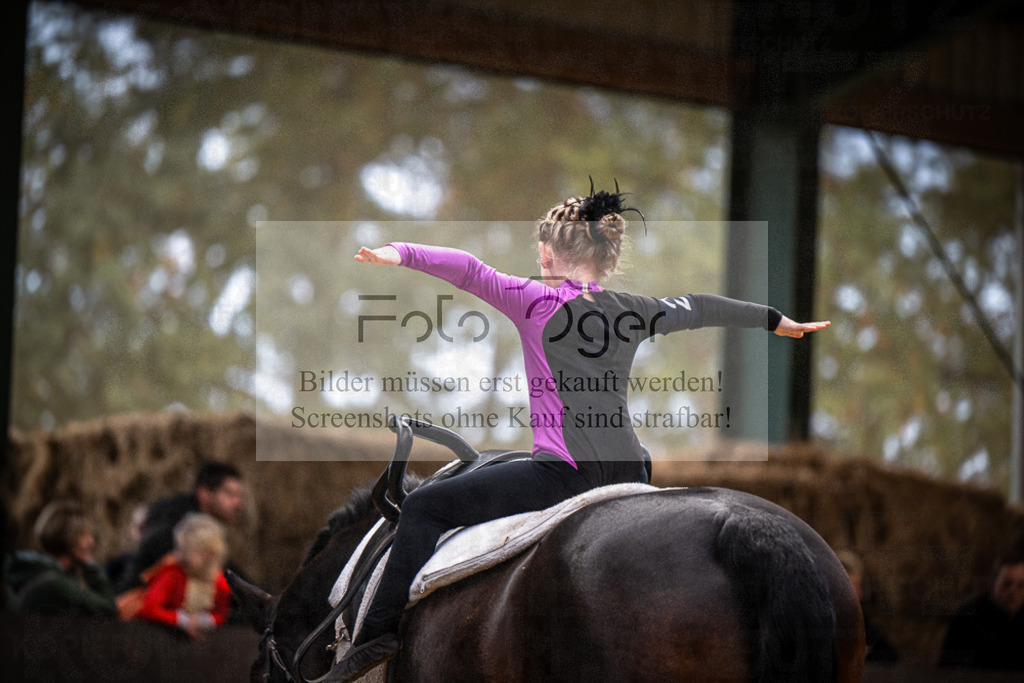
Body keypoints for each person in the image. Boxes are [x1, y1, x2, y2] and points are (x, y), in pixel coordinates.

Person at [328, 185, 831, 681]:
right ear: (608, 261)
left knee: (423, 506)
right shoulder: (637, 309)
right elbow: (701, 306)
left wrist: (397, 254)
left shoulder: (534, 300)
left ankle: (375, 636)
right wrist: (773, 320)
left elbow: (466, 268)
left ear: (547, 253)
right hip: (632, 469)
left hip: (564, 474)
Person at [116, 460, 244, 593]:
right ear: (204, 493)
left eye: (239, 495)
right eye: (229, 494)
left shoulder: (177, 512)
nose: (238, 503)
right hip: (145, 601)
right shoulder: (185, 525)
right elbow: (218, 569)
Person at [3, 501, 117, 618]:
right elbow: (108, 610)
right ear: (68, 539)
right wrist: (91, 566)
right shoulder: (55, 585)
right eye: (83, 535)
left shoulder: (34, 571)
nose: (91, 541)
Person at [134, 512, 232, 640]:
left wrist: (203, 621)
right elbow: (148, 608)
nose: (178, 555)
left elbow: (221, 614)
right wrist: (182, 620)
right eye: (178, 548)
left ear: (209, 554)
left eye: (186, 550)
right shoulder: (172, 575)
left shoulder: (220, 583)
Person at [939, 554, 1024, 670]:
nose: (1013, 592)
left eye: (1021, 586)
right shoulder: (968, 618)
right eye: (1007, 584)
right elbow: (949, 669)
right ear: (994, 583)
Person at [835, 549, 899, 664]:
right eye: (852, 589)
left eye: (859, 587)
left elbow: (890, 655)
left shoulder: (860, 621)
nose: (860, 594)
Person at [104, 503, 148, 588]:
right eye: (136, 527)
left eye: (144, 527)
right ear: (131, 529)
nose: (140, 533)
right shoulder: (116, 566)